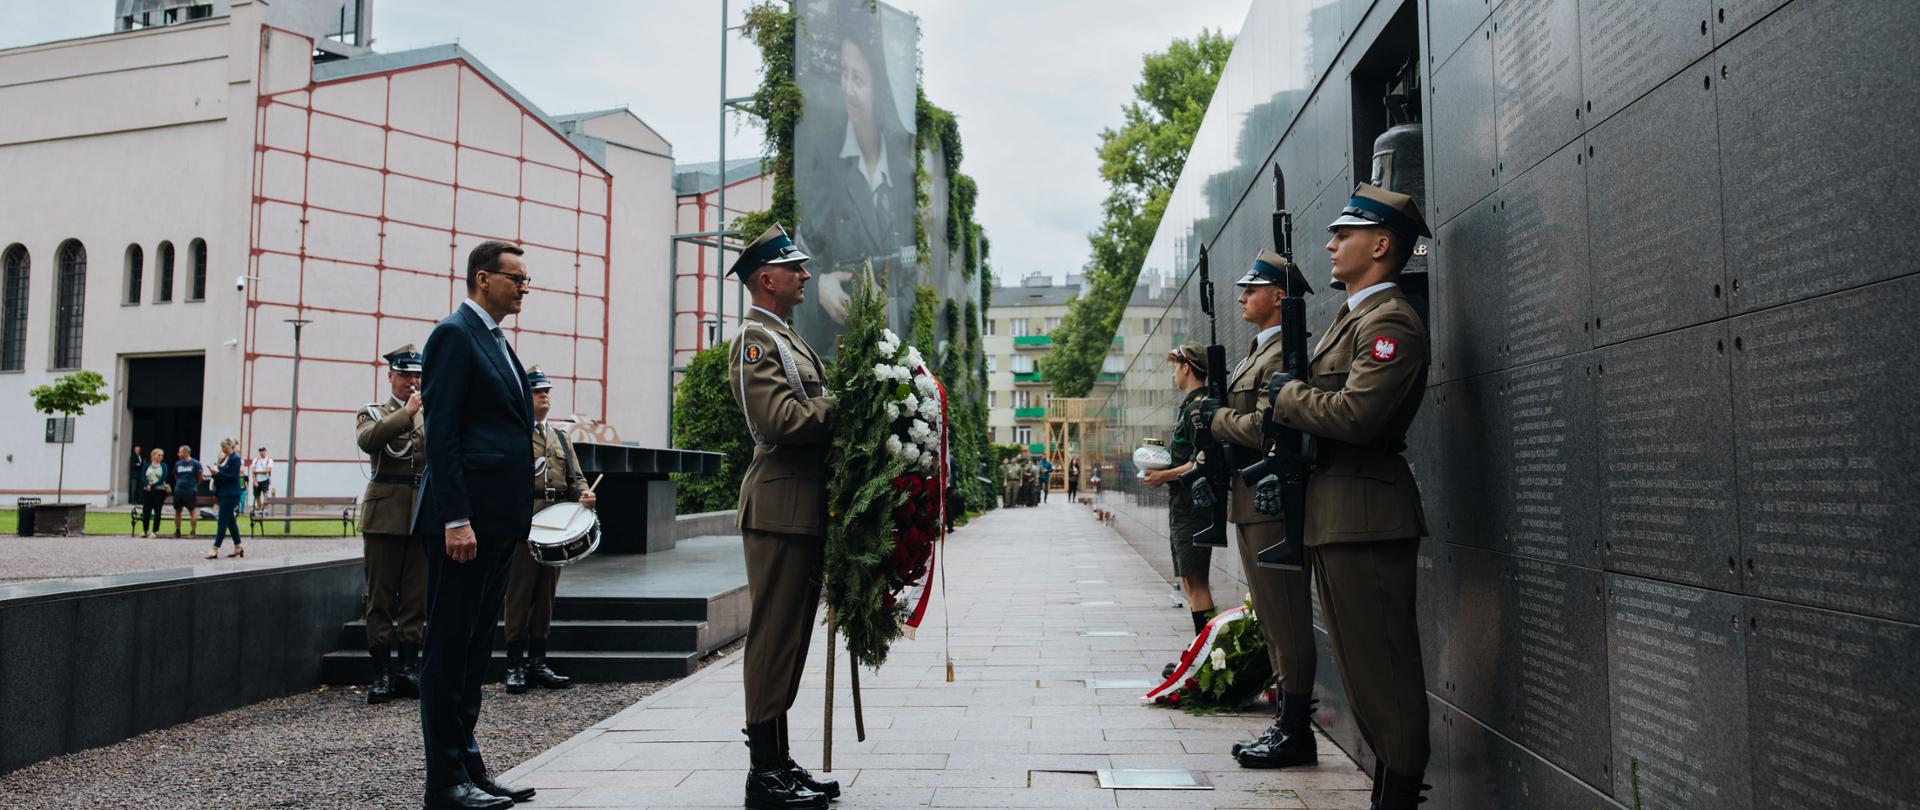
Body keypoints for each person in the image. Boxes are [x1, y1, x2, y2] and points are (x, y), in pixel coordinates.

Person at [1264, 184, 1434, 808]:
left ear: (1383, 245)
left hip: (1367, 515)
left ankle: (1397, 798)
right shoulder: (1354, 317)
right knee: (1365, 679)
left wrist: (1288, 397)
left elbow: (1361, 415)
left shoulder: (1389, 321)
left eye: (1346, 233)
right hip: (1337, 515)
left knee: (1385, 675)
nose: (1331, 243)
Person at [412, 240, 538, 810]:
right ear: (483, 278)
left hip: (498, 521)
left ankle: (470, 766)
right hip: (464, 524)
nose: (523, 288)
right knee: (447, 648)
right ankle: (444, 782)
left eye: (526, 280)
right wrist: (456, 518)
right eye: (516, 278)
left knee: (472, 651)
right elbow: (442, 434)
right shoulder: (453, 335)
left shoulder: (498, 342)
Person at [726, 225, 840, 810]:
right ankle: (762, 774)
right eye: (795, 269)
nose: (805, 276)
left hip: (799, 508)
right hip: (779, 508)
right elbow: (780, 421)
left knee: (789, 638)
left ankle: (777, 761)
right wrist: (844, 404)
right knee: (773, 638)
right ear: (765, 279)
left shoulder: (784, 337)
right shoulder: (755, 339)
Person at [1201, 249, 1321, 770]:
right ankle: (1284, 718)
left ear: (1280, 297)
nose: (1243, 296)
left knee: (1288, 619)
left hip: (1274, 503)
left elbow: (1265, 428)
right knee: (1272, 618)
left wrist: (1217, 418)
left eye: (1254, 288)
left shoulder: (1282, 358)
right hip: (1251, 504)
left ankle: (1296, 729)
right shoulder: (1257, 353)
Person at [502, 366, 594, 694]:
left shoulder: (560, 437)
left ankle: (538, 662)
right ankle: (514, 665)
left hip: (556, 524)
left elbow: (575, 477)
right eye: (538, 391)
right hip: (525, 523)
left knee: (545, 597)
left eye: (548, 391)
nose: (545, 396)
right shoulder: (512, 433)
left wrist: (584, 495)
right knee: (519, 595)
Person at [357, 344, 428, 705]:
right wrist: (407, 414)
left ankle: (410, 670)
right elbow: (368, 440)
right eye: (405, 375)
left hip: (419, 515)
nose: (412, 382)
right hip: (385, 515)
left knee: (416, 598)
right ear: (391, 377)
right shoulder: (373, 412)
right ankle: (382, 673)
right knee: (381, 597)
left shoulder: (429, 414)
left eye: (416, 375)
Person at [1142, 341, 1218, 642]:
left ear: (1187, 368)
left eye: (1175, 367)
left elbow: (1202, 460)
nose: (1174, 373)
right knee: (1189, 580)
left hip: (1193, 507)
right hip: (1183, 505)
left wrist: (1164, 475)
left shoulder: (1198, 408)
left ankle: (1207, 653)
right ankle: (1203, 647)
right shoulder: (1189, 405)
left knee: (1196, 581)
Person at [208, 438, 246, 559]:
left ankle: (215, 548)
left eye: (224, 447)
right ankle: (238, 547)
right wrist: (215, 472)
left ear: (230, 446)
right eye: (222, 447)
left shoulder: (235, 459)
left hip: (230, 494)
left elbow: (234, 477)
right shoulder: (226, 459)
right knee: (230, 522)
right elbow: (222, 475)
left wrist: (218, 473)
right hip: (223, 493)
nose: (223, 449)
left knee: (222, 521)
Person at [171, 445, 204, 538]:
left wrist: (194, 485)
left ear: (186, 452)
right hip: (178, 490)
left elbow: (200, 477)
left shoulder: (195, 463)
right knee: (178, 511)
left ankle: (192, 532)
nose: (178, 454)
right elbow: (175, 475)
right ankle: (177, 531)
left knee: (192, 511)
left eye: (180, 452)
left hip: (190, 491)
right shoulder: (178, 464)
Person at [138, 448, 169, 538]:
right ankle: (145, 530)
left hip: (159, 490)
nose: (160, 457)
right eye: (159, 455)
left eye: (162, 455)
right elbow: (143, 476)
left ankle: (155, 531)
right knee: (146, 511)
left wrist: (153, 485)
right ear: (153, 455)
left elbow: (163, 478)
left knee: (157, 511)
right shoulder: (147, 465)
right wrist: (147, 484)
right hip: (147, 490)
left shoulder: (163, 466)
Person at [250, 447, 274, 511]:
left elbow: (267, 471)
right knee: (257, 496)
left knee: (266, 495)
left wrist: (257, 471)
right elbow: (253, 471)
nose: (261, 452)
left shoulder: (269, 460)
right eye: (260, 451)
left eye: (263, 450)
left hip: (265, 480)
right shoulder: (256, 460)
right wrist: (255, 481)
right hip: (257, 480)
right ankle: (260, 509)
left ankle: (266, 510)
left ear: (266, 451)